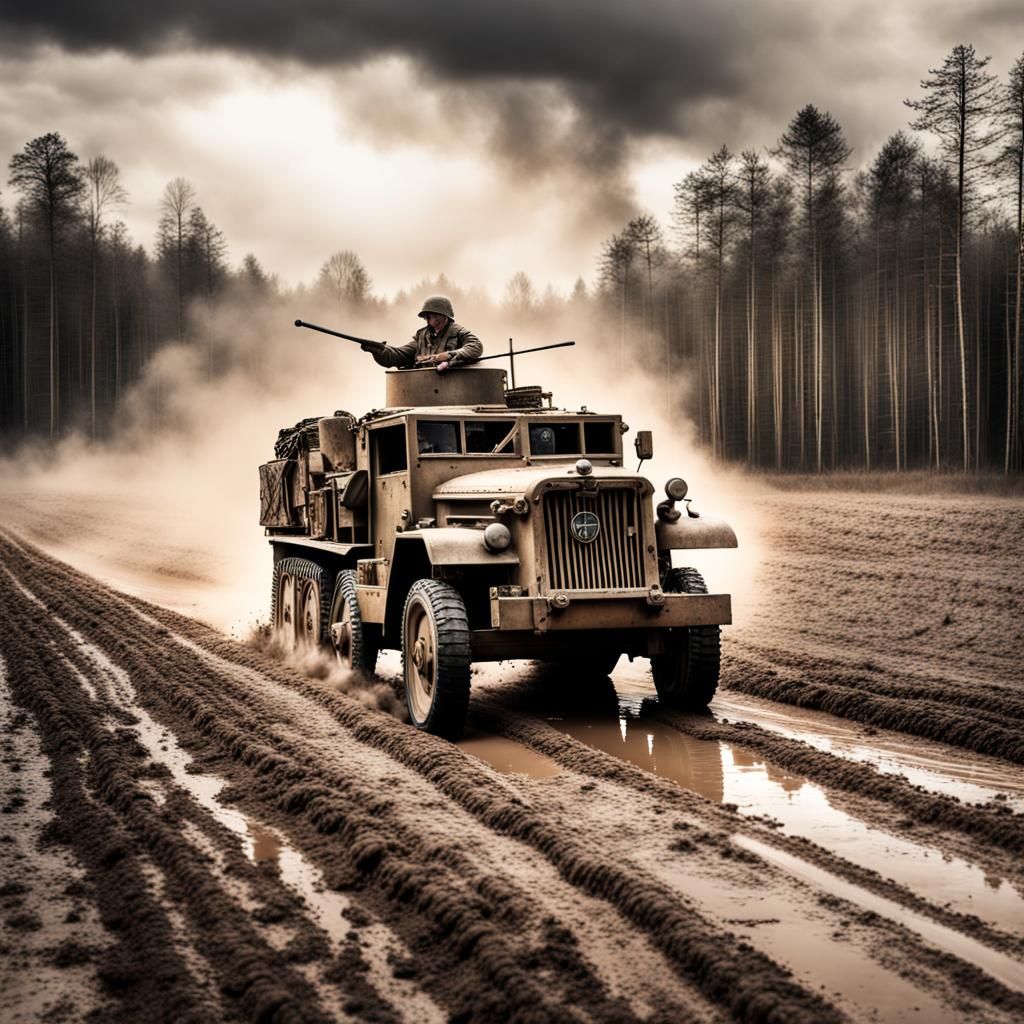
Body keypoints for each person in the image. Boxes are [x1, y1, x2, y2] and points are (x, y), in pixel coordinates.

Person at [364, 295, 483, 372]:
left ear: (443, 316)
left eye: (431, 315)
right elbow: (400, 355)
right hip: (424, 389)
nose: (427, 318)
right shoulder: (422, 337)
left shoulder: (459, 332)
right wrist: (380, 351)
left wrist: (449, 355)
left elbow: (476, 346)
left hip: (453, 389)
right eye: (426, 316)